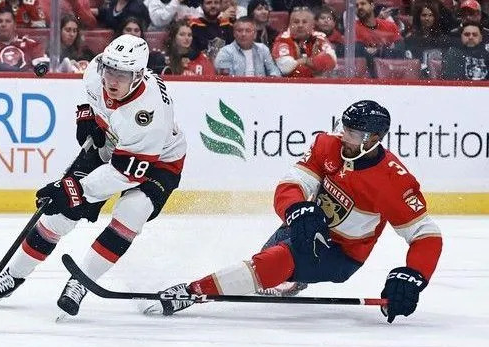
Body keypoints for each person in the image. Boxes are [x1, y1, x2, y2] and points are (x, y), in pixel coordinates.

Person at [150, 100, 443, 326]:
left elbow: (426, 235)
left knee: (271, 264)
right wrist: (296, 209)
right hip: (306, 228)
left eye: (353, 133)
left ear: (373, 139)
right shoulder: (326, 145)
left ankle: (192, 292)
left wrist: (414, 275)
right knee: (270, 261)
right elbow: (293, 183)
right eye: (344, 128)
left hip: (341, 254)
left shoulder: (394, 181)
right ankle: (295, 276)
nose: (344, 136)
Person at [0, 34, 187, 318]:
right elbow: (91, 97)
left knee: (132, 211)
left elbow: (124, 175)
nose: (112, 80)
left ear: (138, 75)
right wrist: (87, 117)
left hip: (159, 162)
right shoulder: (97, 70)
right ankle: (12, 276)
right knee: (57, 215)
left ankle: (82, 280)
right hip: (113, 142)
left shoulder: (149, 116)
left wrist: (74, 190)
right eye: (111, 70)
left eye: (122, 75)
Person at [271, 6, 337, 77]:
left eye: (304, 22)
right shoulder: (283, 39)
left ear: (312, 25)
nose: (300, 25)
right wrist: (315, 67)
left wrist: (303, 61)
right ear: (289, 25)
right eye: (296, 22)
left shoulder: (319, 37)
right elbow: (285, 68)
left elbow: (332, 60)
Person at [213, 16, 281, 75]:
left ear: (255, 34)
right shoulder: (225, 52)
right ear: (234, 33)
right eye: (239, 31)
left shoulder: (263, 49)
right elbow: (226, 79)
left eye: (248, 31)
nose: (243, 34)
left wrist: (273, 76)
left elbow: (273, 70)